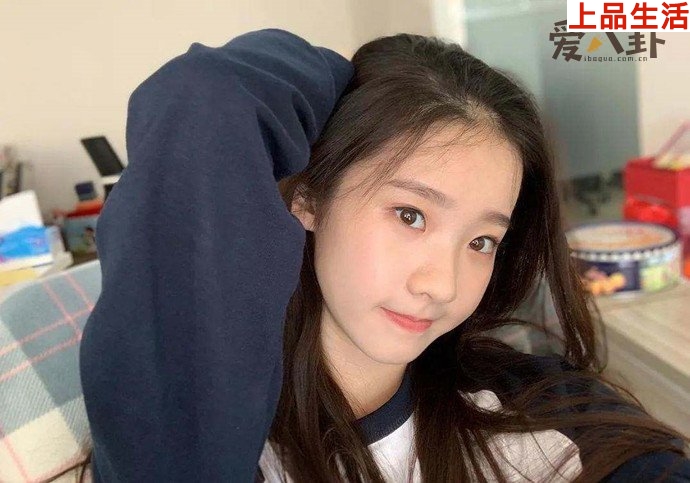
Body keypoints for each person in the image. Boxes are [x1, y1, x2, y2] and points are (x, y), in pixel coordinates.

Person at [79, 28, 690, 482]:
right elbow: (204, 96)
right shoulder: (212, 431)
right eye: (410, 215)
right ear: (311, 198)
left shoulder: (544, 418)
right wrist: (342, 81)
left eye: (481, 242)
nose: (442, 285)